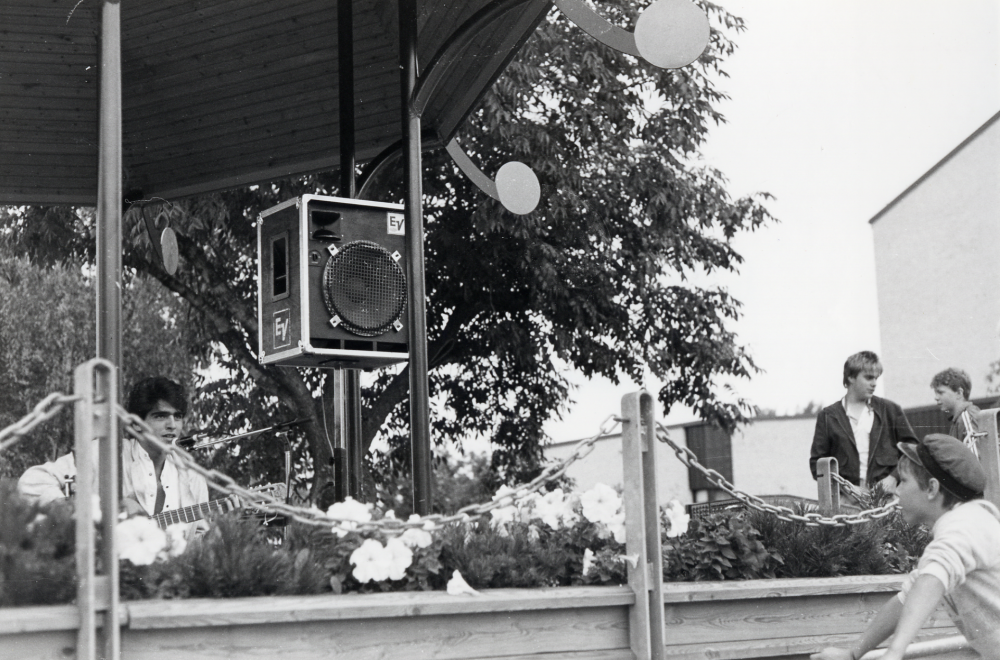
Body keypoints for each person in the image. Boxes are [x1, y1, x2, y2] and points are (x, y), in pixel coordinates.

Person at [811, 434, 1000, 660]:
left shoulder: (963, 525)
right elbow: (909, 596)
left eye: (904, 480)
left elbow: (932, 578)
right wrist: (853, 653)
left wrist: (895, 652)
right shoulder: (964, 525)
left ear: (931, 488)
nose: (897, 490)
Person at [18, 376, 210, 535]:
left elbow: (199, 536)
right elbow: (32, 482)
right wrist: (78, 514)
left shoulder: (193, 478)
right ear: (135, 424)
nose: (172, 425)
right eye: (160, 416)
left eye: (178, 416)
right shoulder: (105, 454)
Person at [810, 351, 918, 491]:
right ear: (850, 377)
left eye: (876, 378)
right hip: (845, 502)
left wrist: (893, 477)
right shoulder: (828, 416)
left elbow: (913, 449)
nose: (874, 384)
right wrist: (844, 489)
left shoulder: (891, 410)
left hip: (887, 498)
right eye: (868, 378)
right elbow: (817, 464)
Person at [931, 368, 982, 458]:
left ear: (959, 393)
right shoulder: (959, 419)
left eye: (940, 392)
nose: (936, 397)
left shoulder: (967, 416)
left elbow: (975, 457)